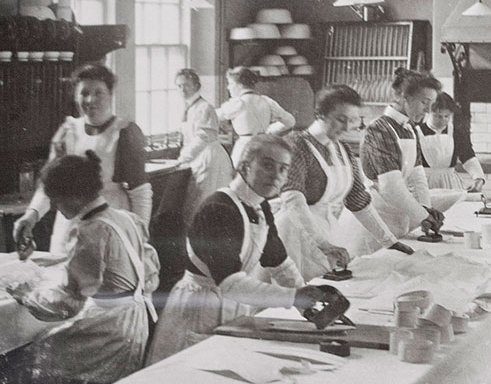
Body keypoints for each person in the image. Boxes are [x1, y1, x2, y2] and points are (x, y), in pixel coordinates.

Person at [146, 134, 338, 364]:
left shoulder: (260, 207)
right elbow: (231, 284)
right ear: (244, 166)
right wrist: (294, 297)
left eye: (283, 169)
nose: (276, 175)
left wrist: (310, 307)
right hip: (198, 309)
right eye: (267, 165)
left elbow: (279, 263)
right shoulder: (219, 208)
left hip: (232, 306)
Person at [7, 151, 157, 383]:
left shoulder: (91, 231)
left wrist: (27, 295)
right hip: (135, 321)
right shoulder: (125, 218)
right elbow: (147, 273)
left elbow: (67, 305)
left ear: (74, 196)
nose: (56, 207)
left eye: (57, 200)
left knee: (26, 358)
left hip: (109, 330)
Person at [13, 63, 152, 256]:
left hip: (110, 220)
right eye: (84, 93)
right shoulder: (68, 131)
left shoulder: (124, 133)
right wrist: (31, 215)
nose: (90, 100)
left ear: (110, 94)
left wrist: (139, 239)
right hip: (69, 223)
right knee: (64, 278)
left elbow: (141, 193)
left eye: (98, 93)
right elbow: (49, 186)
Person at [274, 84, 408, 281]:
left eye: (352, 120)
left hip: (327, 231)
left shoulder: (343, 149)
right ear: (320, 114)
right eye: (340, 119)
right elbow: (293, 201)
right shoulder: (297, 145)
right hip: (294, 233)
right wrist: (323, 245)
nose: (346, 127)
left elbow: (358, 201)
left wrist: (389, 241)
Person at [332, 68, 445, 257]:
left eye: (431, 104)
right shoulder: (379, 129)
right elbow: (390, 187)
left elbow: (418, 177)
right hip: (372, 222)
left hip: (398, 218)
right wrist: (422, 216)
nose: (427, 110)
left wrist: (427, 212)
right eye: (424, 102)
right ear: (403, 97)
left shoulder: (410, 129)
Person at [175, 68, 234, 223]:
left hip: (209, 158)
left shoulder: (204, 108)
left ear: (196, 86)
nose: (182, 90)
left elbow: (203, 137)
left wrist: (182, 158)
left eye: (186, 85)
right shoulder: (188, 107)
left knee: (205, 202)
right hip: (198, 157)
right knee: (199, 203)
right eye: (179, 86)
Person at [217, 66, 296, 166]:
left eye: (231, 83)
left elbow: (211, 117)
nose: (228, 87)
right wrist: (270, 130)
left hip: (244, 148)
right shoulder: (267, 101)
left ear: (240, 85)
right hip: (265, 146)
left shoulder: (238, 103)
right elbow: (290, 121)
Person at [414, 92, 486, 192]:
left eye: (446, 116)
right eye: (438, 116)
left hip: (450, 183)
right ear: (428, 113)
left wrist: (479, 178)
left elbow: (468, 157)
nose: (442, 120)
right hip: (424, 183)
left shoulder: (456, 132)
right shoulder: (416, 132)